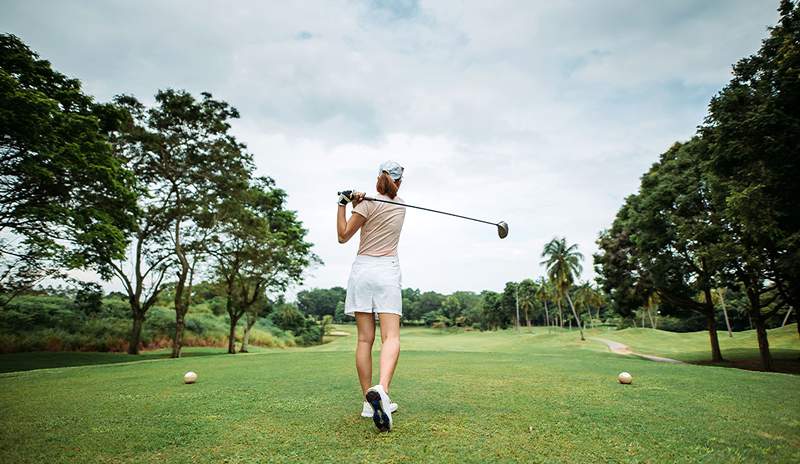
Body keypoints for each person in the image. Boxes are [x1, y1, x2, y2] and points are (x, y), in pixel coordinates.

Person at [336, 160, 406, 432]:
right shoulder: (401, 206)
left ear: (379, 176)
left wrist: (344, 202)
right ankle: (382, 391)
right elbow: (378, 210)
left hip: (363, 270)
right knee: (391, 336)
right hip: (387, 271)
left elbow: (343, 236)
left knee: (365, 338)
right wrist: (358, 201)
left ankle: (369, 400)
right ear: (399, 181)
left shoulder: (366, 203)